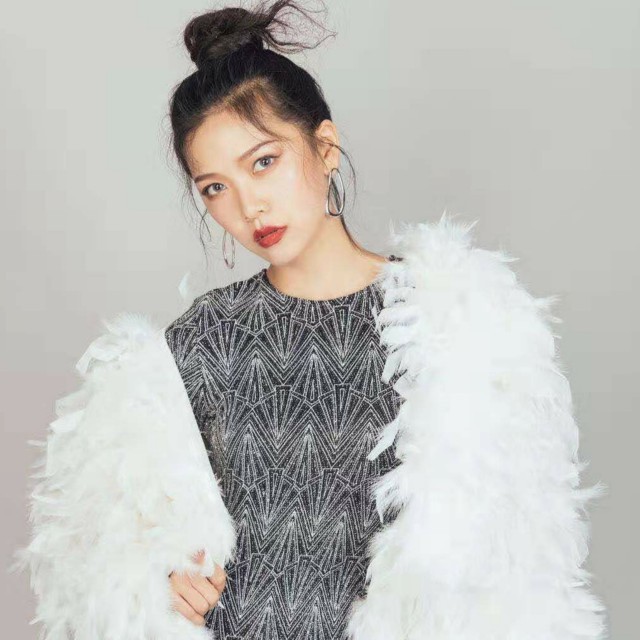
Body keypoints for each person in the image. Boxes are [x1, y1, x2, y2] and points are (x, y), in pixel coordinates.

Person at [12, 2, 608, 639]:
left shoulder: (450, 321)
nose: (248, 205)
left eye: (263, 162)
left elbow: (516, 560)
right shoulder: (199, 341)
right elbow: (118, 548)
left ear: (325, 147)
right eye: (214, 187)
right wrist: (156, 573)